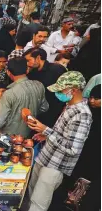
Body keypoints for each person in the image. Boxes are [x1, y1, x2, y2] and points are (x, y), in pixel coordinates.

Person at [26, 71, 92, 211]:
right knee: (31, 194)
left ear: (73, 90)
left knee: (38, 204)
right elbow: (64, 135)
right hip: (45, 157)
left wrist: (47, 131)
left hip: (55, 166)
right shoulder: (70, 105)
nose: (59, 93)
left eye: (61, 90)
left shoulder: (82, 114)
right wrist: (46, 135)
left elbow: (73, 149)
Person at [0, 57, 49, 138]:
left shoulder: (8, 93)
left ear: (8, 72)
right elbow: (44, 108)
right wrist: (28, 113)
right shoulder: (39, 85)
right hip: (28, 136)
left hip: (8, 138)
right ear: (27, 70)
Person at [70, 84, 100, 211]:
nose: (92, 101)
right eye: (91, 97)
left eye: (97, 98)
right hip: (84, 152)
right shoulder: (87, 111)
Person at [25, 47, 66, 127]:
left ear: (38, 58)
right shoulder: (32, 72)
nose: (27, 63)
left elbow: (68, 90)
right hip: (38, 113)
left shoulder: (57, 70)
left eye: (28, 60)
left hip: (56, 112)